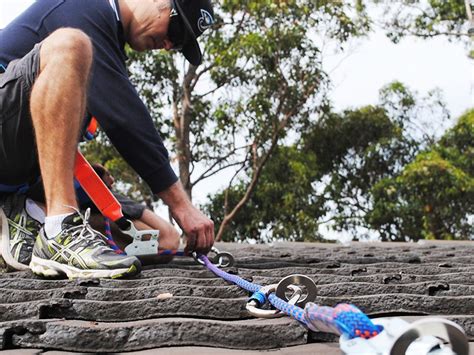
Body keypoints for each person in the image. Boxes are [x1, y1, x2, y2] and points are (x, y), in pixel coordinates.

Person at [0, 0, 215, 279]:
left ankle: (21, 219)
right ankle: (58, 230)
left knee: (161, 237)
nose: (168, 44)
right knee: (71, 44)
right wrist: (182, 206)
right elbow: (123, 116)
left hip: (21, 171)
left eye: (177, 44)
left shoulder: (105, 41)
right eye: (175, 30)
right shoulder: (85, 7)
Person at [83, 163, 181, 253]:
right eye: (107, 175)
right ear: (97, 179)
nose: (112, 179)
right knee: (170, 240)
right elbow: (169, 239)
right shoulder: (104, 196)